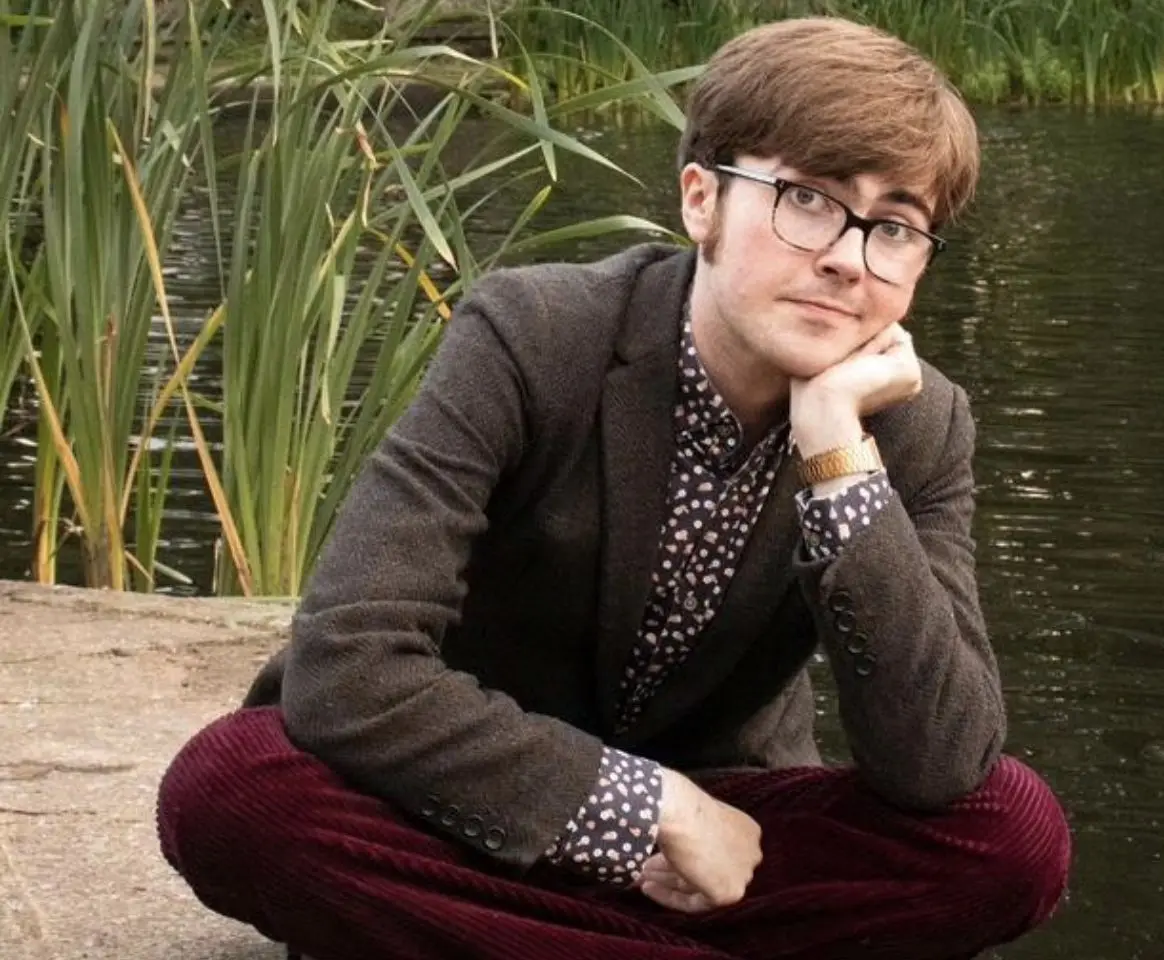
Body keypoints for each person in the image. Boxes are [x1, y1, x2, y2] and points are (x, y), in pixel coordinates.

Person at [155, 15, 1071, 960]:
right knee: (231, 790)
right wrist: (637, 808)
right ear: (701, 200)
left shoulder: (918, 424)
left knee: (1014, 836)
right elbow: (351, 665)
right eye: (806, 198)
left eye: (894, 227)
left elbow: (942, 766)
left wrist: (837, 455)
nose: (847, 255)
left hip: (726, 838)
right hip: (471, 802)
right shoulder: (533, 335)